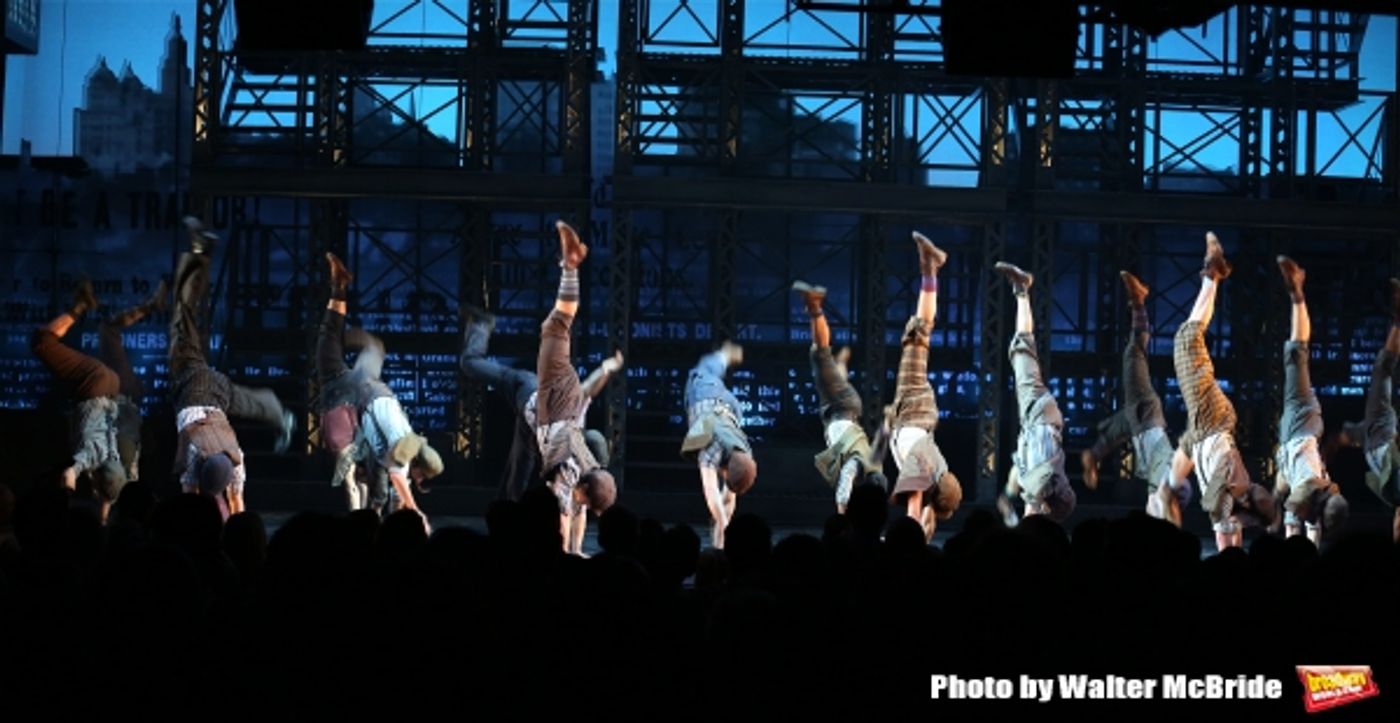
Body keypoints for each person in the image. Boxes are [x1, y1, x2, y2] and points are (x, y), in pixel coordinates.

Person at [170, 217, 296, 518]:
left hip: (216, 397)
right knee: (182, 317)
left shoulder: (236, 460)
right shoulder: (203, 456)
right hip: (196, 388)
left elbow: (238, 506)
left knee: (246, 400)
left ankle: (278, 413)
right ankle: (200, 249)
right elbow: (192, 497)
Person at [318, 252, 444, 522]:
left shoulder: (408, 440)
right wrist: (416, 511)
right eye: (420, 477)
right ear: (419, 469)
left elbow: (395, 482)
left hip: (364, 387)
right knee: (334, 348)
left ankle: (339, 288)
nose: (417, 479)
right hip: (359, 393)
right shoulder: (406, 451)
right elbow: (398, 479)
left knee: (359, 346)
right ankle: (341, 299)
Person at [1170, 232, 1276, 551]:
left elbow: (1224, 525)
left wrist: (1233, 534)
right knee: (1187, 339)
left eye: (1261, 498)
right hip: (1214, 420)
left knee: (1188, 338)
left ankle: (1213, 275)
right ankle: (1212, 274)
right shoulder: (1233, 482)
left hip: (1208, 426)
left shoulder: (1228, 497)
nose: (1261, 490)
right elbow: (1223, 517)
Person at [31, 277, 166, 522]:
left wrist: (105, 520)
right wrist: (68, 498)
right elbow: (77, 478)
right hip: (101, 387)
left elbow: (116, 491)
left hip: (127, 396)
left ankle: (149, 306)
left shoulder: (126, 473)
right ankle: (80, 307)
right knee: (42, 343)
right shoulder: (90, 459)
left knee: (108, 330)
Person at [459, 303, 621, 503]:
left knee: (518, 470)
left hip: (531, 388)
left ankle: (504, 508)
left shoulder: (577, 422)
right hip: (525, 394)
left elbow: (588, 389)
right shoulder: (563, 451)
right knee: (519, 473)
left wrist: (606, 369)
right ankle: (481, 325)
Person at [535, 220, 619, 554]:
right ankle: (570, 266)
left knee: (556, 327)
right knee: (557, 326)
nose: (578, 502)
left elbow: (587, 394)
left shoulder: (588, 469)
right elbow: (563, 514)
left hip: (562, 403)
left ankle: (569, 265)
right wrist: (563, 554)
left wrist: (577, 552)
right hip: (554, 400)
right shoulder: (574, 473)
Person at [1081, 271, 1192, 526]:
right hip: (1146, 414)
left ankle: (1094, 454)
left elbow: (1166, 504)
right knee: (1134, 354)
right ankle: (1139, 302)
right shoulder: (1167, 471)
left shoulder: (1159, 484)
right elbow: (1171, 502)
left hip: (1138, 423)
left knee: (1154, 504)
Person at [884, 232, 961, 541]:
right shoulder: (924, 469)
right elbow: (914, 511)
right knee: (917, 337)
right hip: (915, 409)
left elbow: (926, 516)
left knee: (916, 337)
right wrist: (904, 544)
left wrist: (922, 541)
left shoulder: (930, 476)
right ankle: (930, 270)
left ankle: (930, 271)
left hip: (911, 416)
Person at [1269, 256, 1348, 544]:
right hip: (1302, 418)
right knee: (1296, 355)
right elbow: (1292, 501)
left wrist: (1278, 511)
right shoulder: (1312, 484)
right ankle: (1297, 293)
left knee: (1297, 520)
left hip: (1298, 429)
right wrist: (1275, 512)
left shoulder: (1314, 487)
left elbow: (1287, 493)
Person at [992, 260, 1076, 527]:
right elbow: (1035, 503)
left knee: (1022, 350)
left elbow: (1020, 475)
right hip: (1040, 414)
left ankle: (1022, 290)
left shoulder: (1037, 477)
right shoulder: (1045, 483)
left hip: (1038, 421)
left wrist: (1006, 501)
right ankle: (1022, 290)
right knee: (1023, 349)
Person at [791, 279, 887, 513]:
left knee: (827, 371)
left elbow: (881, 441)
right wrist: (842, 518)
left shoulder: (872, 465)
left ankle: (840, 366)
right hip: (843, 407)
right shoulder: (860, 465)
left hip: (836, 410)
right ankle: (815, 306)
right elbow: (844, 487)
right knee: (819, 356)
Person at [1338, 278, 1400, 542]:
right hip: (1381, 451)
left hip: (1379, 448)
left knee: (1381, 371)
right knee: (1381, 371)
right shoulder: (1367, 430)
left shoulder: (1366, 429)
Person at [680, 339, 756, 550]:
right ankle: (724, 354)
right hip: (708, 394)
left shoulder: (742, 455)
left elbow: (729, 497)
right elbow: (710, 490)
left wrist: (723, 540)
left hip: (729, 409)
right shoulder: (711, 445)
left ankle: (718, 543)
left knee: (726, 500)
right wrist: (725, 524)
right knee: (704, 370)